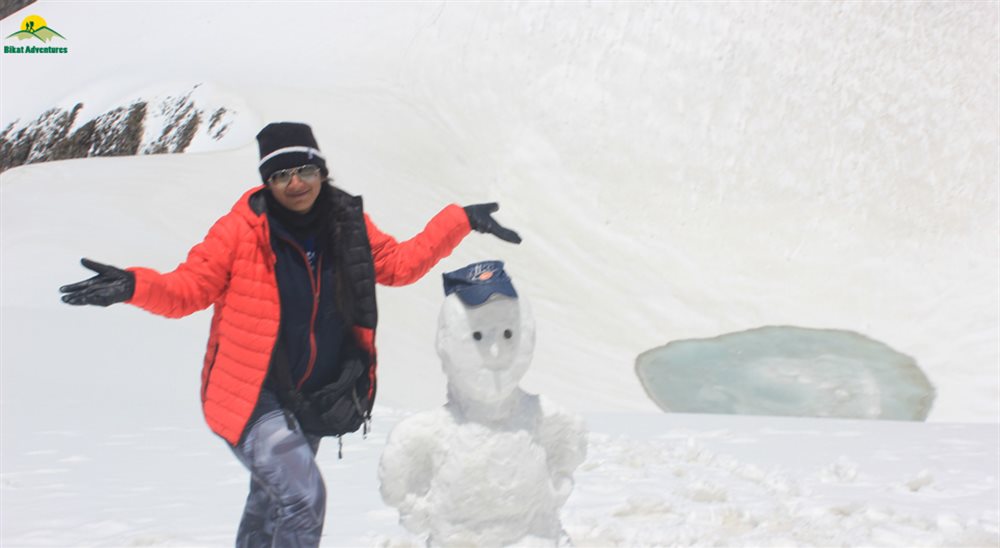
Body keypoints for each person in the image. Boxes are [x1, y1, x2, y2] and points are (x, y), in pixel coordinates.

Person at [58, 122, 521, 548]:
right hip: (250, 395)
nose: (295, 183)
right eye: (281, 175)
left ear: (320, 170)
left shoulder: (347, 224)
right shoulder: (239, 232)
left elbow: (398, 266)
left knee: (270, 502)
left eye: (303, 170)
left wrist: (461, 220)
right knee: (302, 497)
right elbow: (189, 289)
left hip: (312, 397)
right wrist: (134, 285)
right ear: (267, 182)